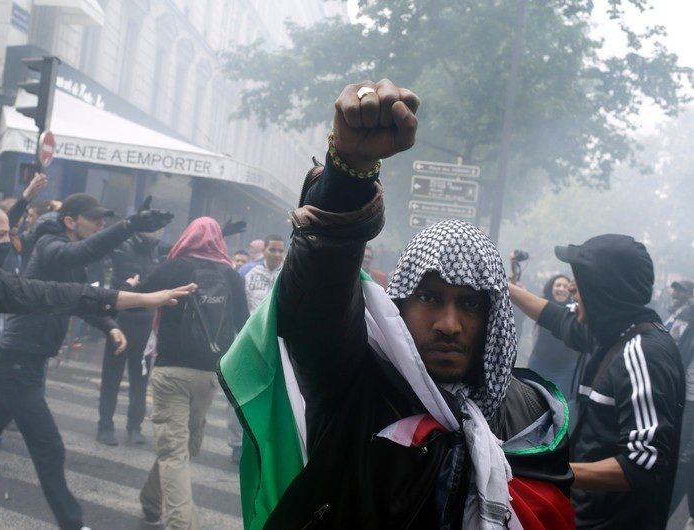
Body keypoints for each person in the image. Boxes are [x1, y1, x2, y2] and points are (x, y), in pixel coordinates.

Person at [219, 80, 573, 529]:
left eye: (469, 304)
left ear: (494, 318)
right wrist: (349, 174)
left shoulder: (533, 415)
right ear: (399, 304)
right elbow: (319, 298)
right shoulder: (356, 380)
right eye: (429, 297)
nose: (449, 324)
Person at [0, 200, 195, 530]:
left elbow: (71, 294)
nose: (8, 241)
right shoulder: (25, 254)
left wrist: (110, 323)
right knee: (47, 448)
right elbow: (53, 294)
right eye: (1, 234)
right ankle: (72, 522)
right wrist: (137, 285)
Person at [509, 236, 684, 529]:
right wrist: (505, 288)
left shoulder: (642, 353)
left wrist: (548, 471)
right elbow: (554, 317)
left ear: (604, 289)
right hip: (585, 513)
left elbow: (643, 462)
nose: (572, 288)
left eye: (580, 279)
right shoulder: (610, 333)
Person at [138, 217, 249, 529]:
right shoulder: (231, 274)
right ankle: (150, 500)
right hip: (209, 374)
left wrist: (130, 288)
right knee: (182, 446)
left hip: (171, 370)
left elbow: (139, 300)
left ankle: (180, 525)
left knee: (174, 450)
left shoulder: (175, 267)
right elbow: (243, 324)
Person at [96, 229, 161, 446]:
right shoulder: (121, 247)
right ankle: (105, 426)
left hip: (145, 323)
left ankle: (134, 426)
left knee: (140, 380)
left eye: (157, 229)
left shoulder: (157, 252)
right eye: (150, 228)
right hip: (120, 321)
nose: (154, 233)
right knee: (111, 379)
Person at [526, 274, 581, 428]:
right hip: (540, 363)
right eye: (558, 285)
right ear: (551, 287)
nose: (561, 289)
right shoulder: (541, 306)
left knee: (559, 408)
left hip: (566, 368)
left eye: (565, 286)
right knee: (532, 404)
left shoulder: (577, 310)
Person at [667, 280, 694, 526]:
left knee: (686, 461)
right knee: (683, 459)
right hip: (687, 399)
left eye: (681, 292)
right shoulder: (681, 318)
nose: (676, 296)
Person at [244, 234, 285, 313]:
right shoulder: (249, 271)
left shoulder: (288, 274)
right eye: (272, 250)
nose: (277, 254)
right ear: (263, 251)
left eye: (281, 251)